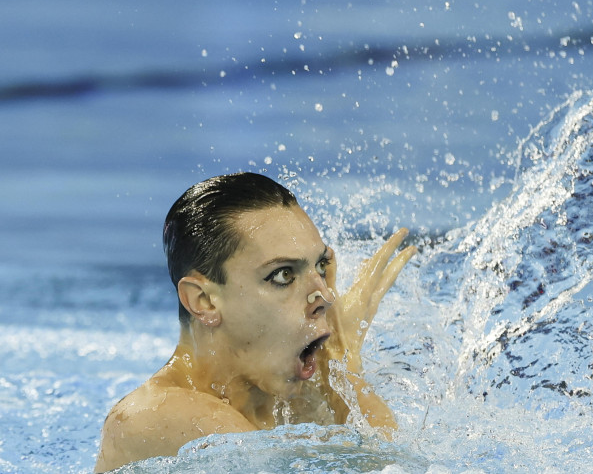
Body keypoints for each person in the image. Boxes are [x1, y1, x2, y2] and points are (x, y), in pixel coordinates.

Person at [94, 172, 416, 472]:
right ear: (203, 301)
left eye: (319, 267)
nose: (325, 297)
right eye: (283, 275)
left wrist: (335, 374)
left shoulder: (295, 398)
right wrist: (343, 363)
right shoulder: (158, 415)